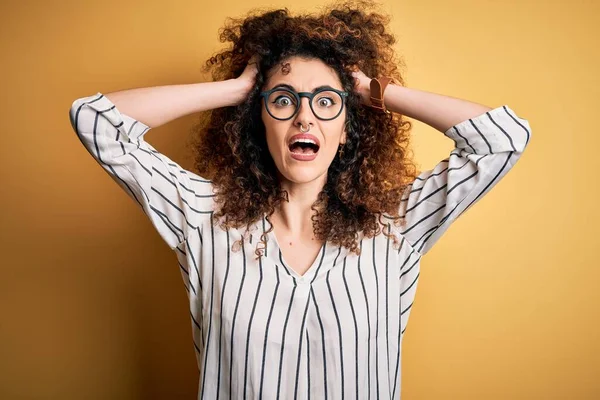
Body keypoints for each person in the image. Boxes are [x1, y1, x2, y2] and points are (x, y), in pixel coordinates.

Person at [68, 2, 532, 399]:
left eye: (327, 101)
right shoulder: (202, 216)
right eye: (285, 101)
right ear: (259, 121)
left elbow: (502, 139)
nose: (305, 117)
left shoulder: (397, 225)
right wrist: (237, 91)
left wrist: (376, 91)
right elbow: (96, 121)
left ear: (348, 127)